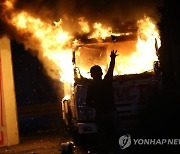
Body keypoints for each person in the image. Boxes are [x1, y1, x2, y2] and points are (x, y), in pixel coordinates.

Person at [86, 50, 121, 154]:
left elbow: (88, 102)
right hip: (111, 113)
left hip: (101, 115)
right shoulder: (107, 81)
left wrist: (97, 106)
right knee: (116, 135)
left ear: (91, 75)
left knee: (102, 137)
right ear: (101, 74)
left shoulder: (91, 87)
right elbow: (111, 69)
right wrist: (113, 58)